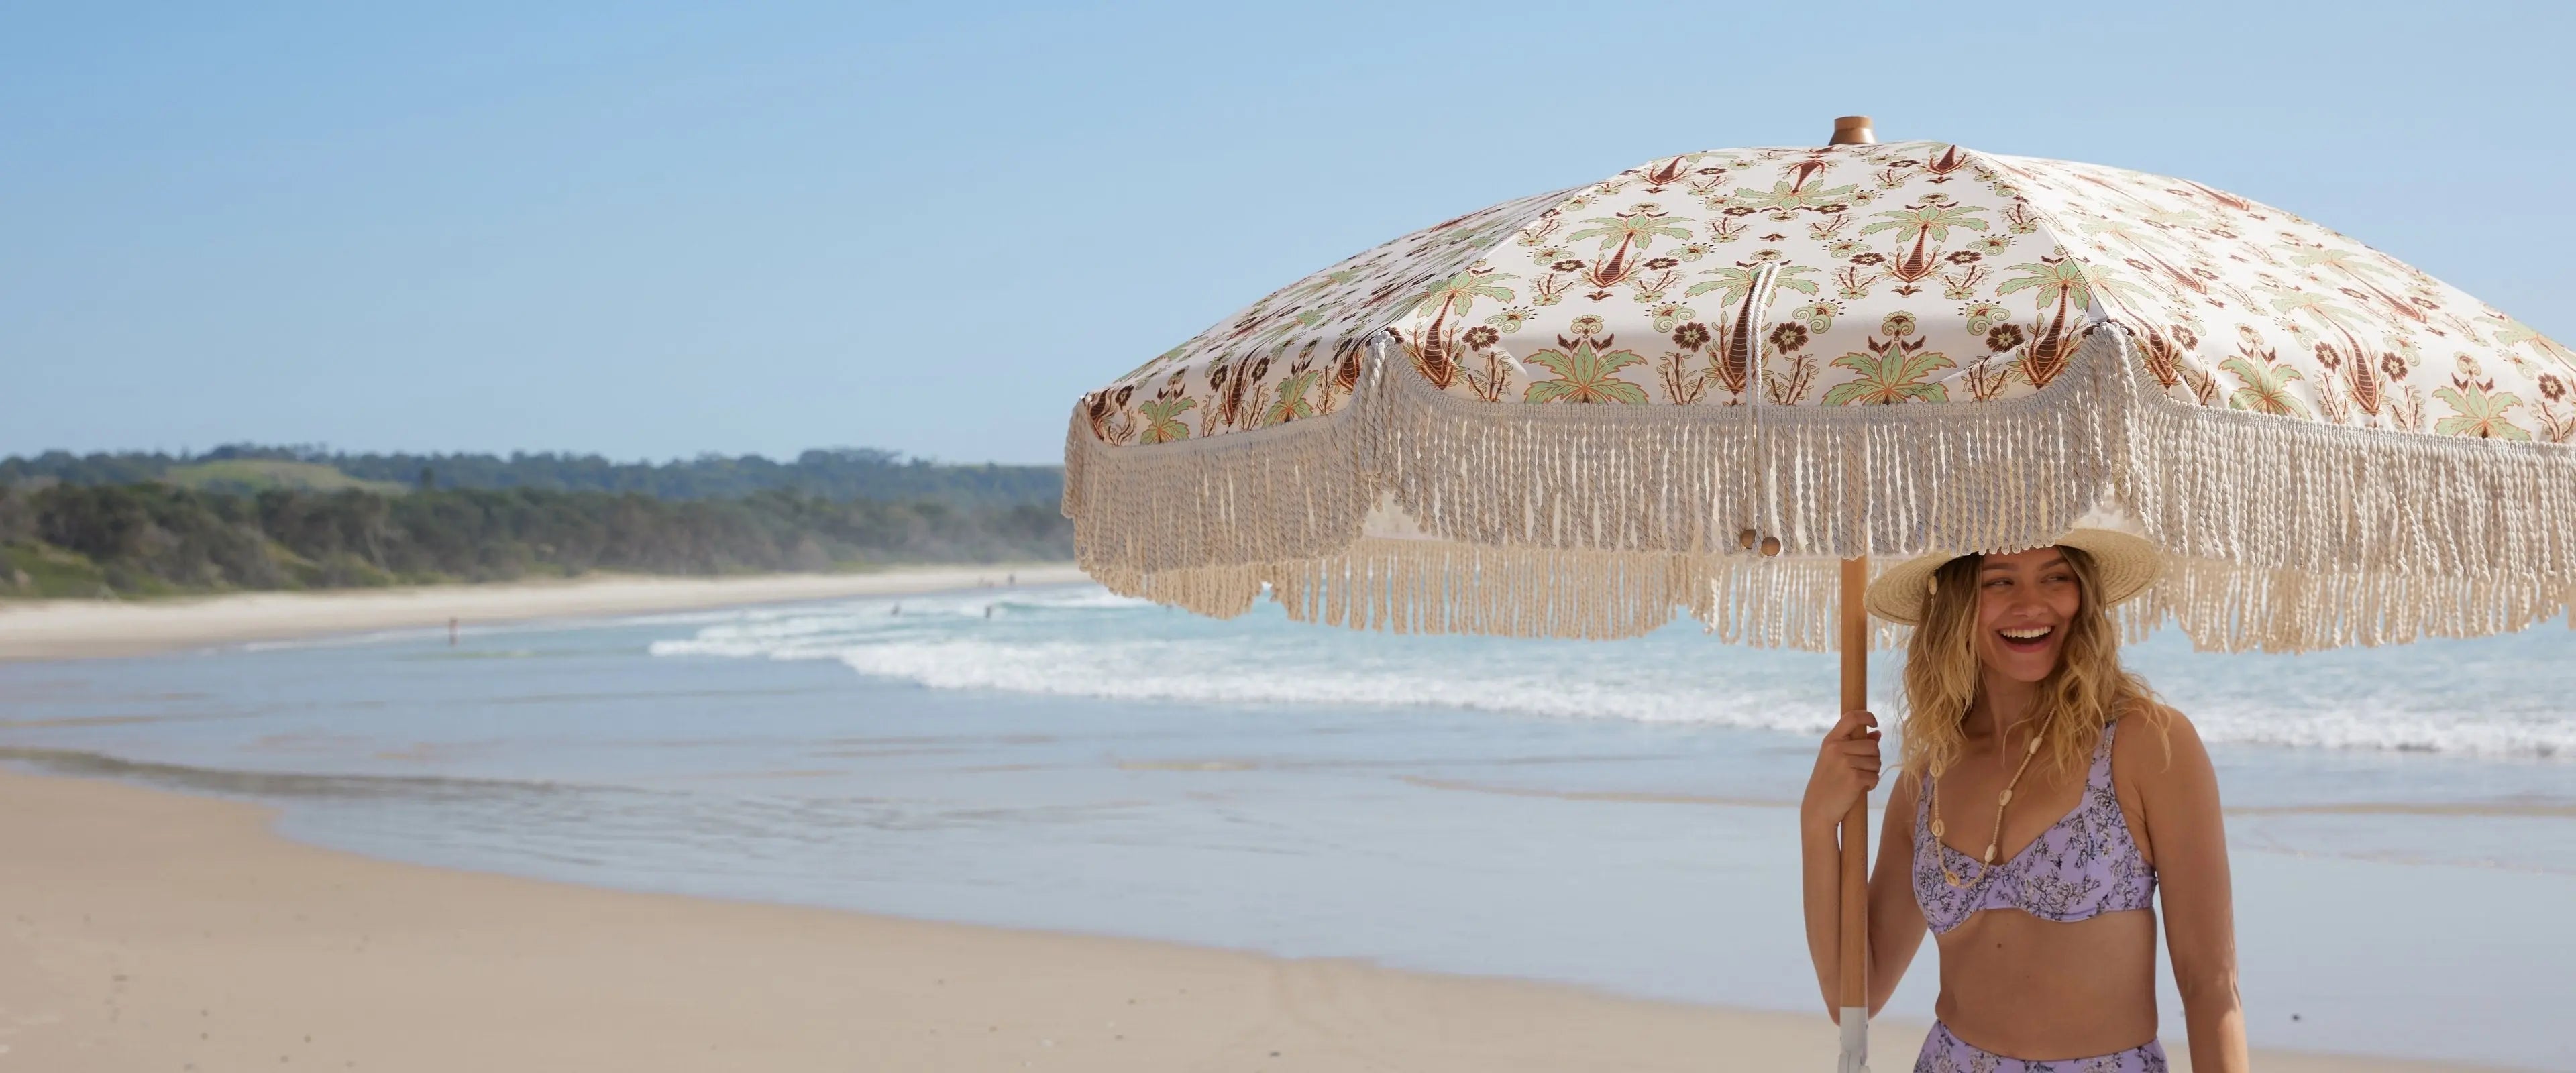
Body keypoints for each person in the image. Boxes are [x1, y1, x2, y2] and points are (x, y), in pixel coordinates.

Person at [1799, 526, 2246, 1072]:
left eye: (2056, 577)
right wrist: (1819, 823)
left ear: (2083, 593)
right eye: (1999, 581)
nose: (2031, 604)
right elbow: (1853, 992)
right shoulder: (1927, 779)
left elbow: (2211, 986)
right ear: (1956, 603)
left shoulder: (2145, 743)